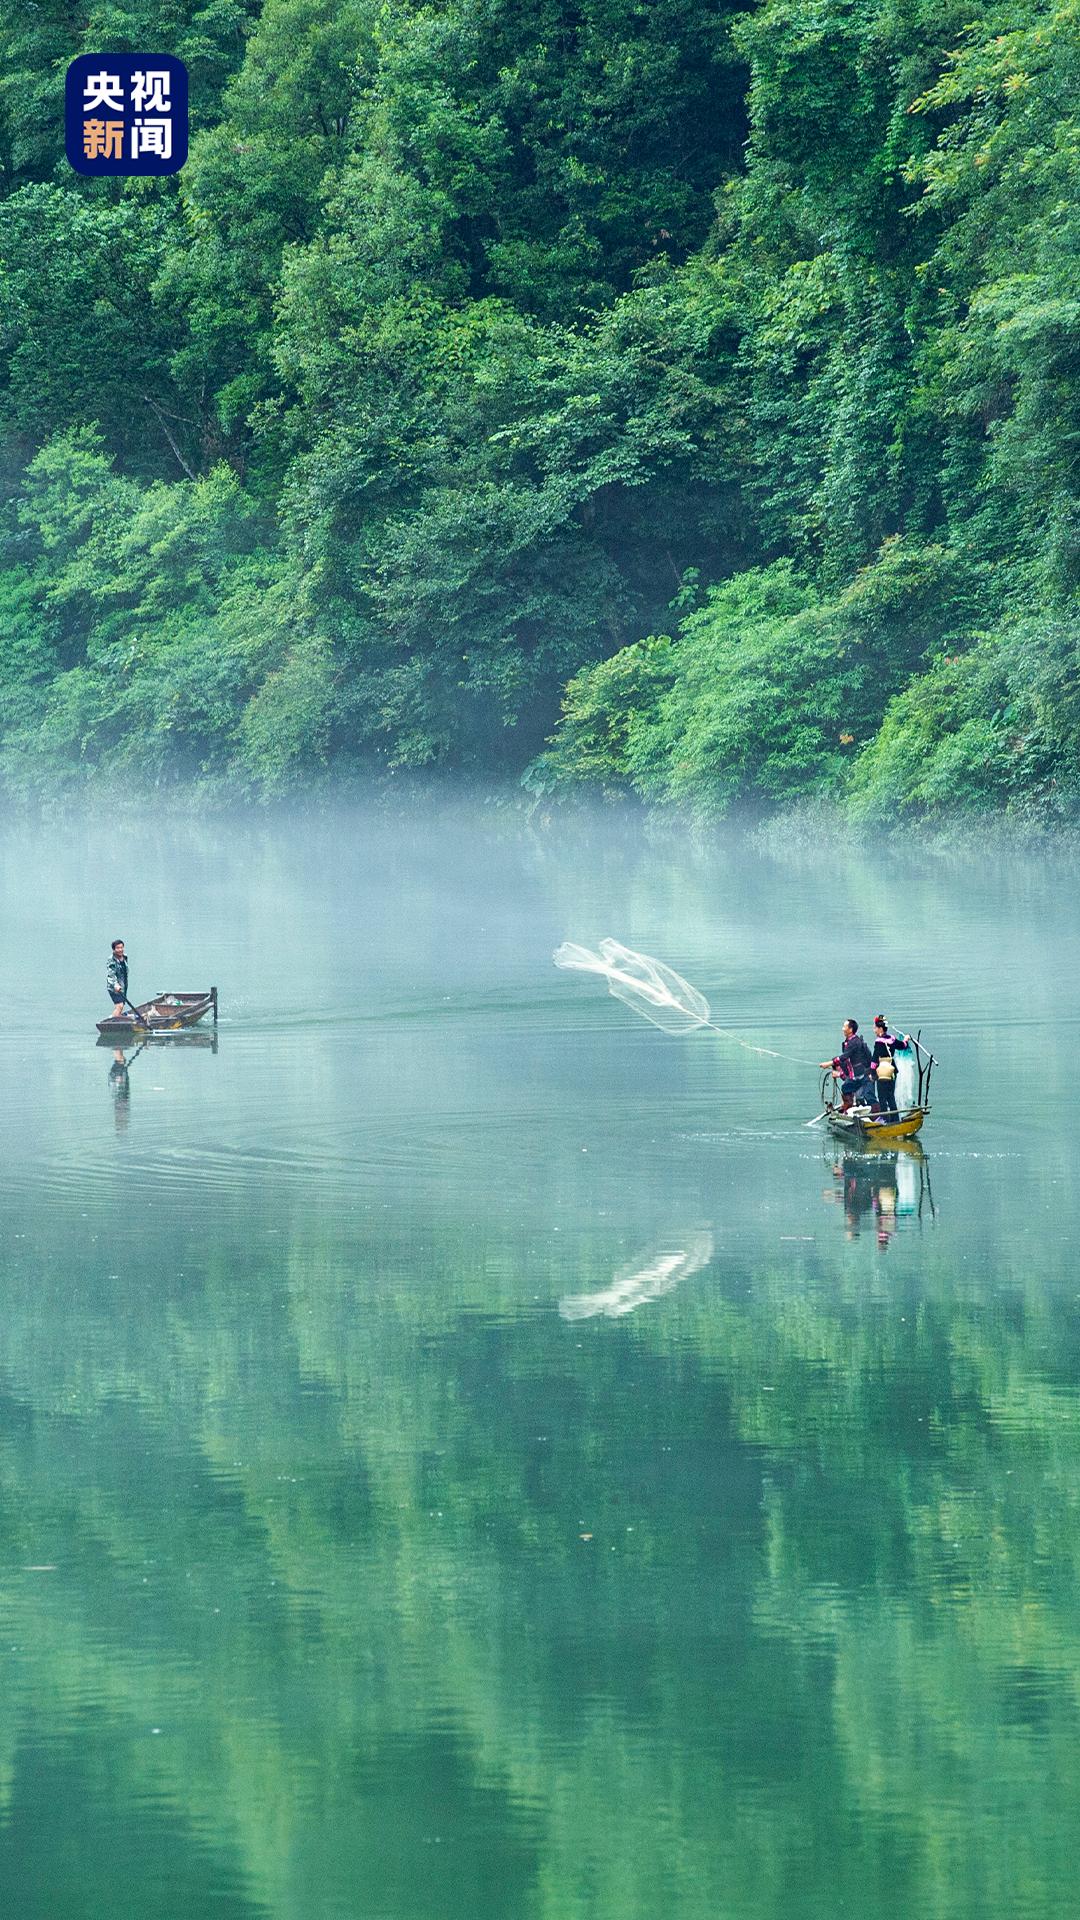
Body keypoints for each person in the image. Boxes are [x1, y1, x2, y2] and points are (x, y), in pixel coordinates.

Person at [820, 1018, 874, 1110]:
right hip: (856, 1076)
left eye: (844, 1027)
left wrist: (829, 1064)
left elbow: (844, 1057)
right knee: (846, 1088)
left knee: (865, 1096)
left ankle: (874, 1114)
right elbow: (845, 1062)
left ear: (850, 1030)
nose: (842, 1029)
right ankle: (849, 1108)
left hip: (862, 1075)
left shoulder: (854, 1042)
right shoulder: (848, 1042)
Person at [871, 1014, 901, 1115]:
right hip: (892, 1072)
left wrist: (873, 1074)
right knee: (890, 1097)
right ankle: (895, 1119)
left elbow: (874, 1060)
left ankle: (884, 1119)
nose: (874, 1030)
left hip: (882, 1073)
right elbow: (903, 1045)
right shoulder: (892, 1039)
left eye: (875, 1028)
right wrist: (906, 1039)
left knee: (882, 1097)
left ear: (880, 1029)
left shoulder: (879, 1042)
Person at [106, 939, 129, 1016]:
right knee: (119, 1006)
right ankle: (110, 1023)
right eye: (118, 948)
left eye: (121, 947)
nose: (120, 950)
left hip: (123, 985)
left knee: (121, 1006)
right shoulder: (111, 960)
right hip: (114, 987)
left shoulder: (125, 957)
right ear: (114, 949)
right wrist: (115, 984)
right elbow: (111, 974)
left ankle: (116, 1020)